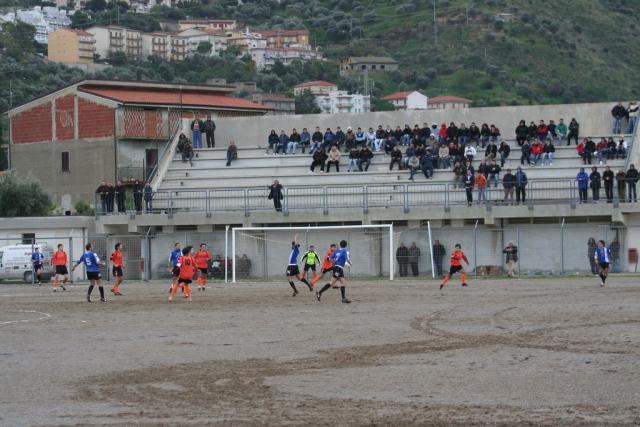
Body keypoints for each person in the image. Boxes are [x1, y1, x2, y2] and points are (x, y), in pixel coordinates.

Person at [315, 239, 351, 304]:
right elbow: (347, 260)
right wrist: (350, 264)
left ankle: (343, 298)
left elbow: (330, 258)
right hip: (338, 268)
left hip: (337, 268)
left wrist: (334, 263)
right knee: (332, 282)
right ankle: (319, 292)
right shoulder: (346, 251)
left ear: (340, 245)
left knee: (343, 282)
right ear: (346, 245)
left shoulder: (336, 251)